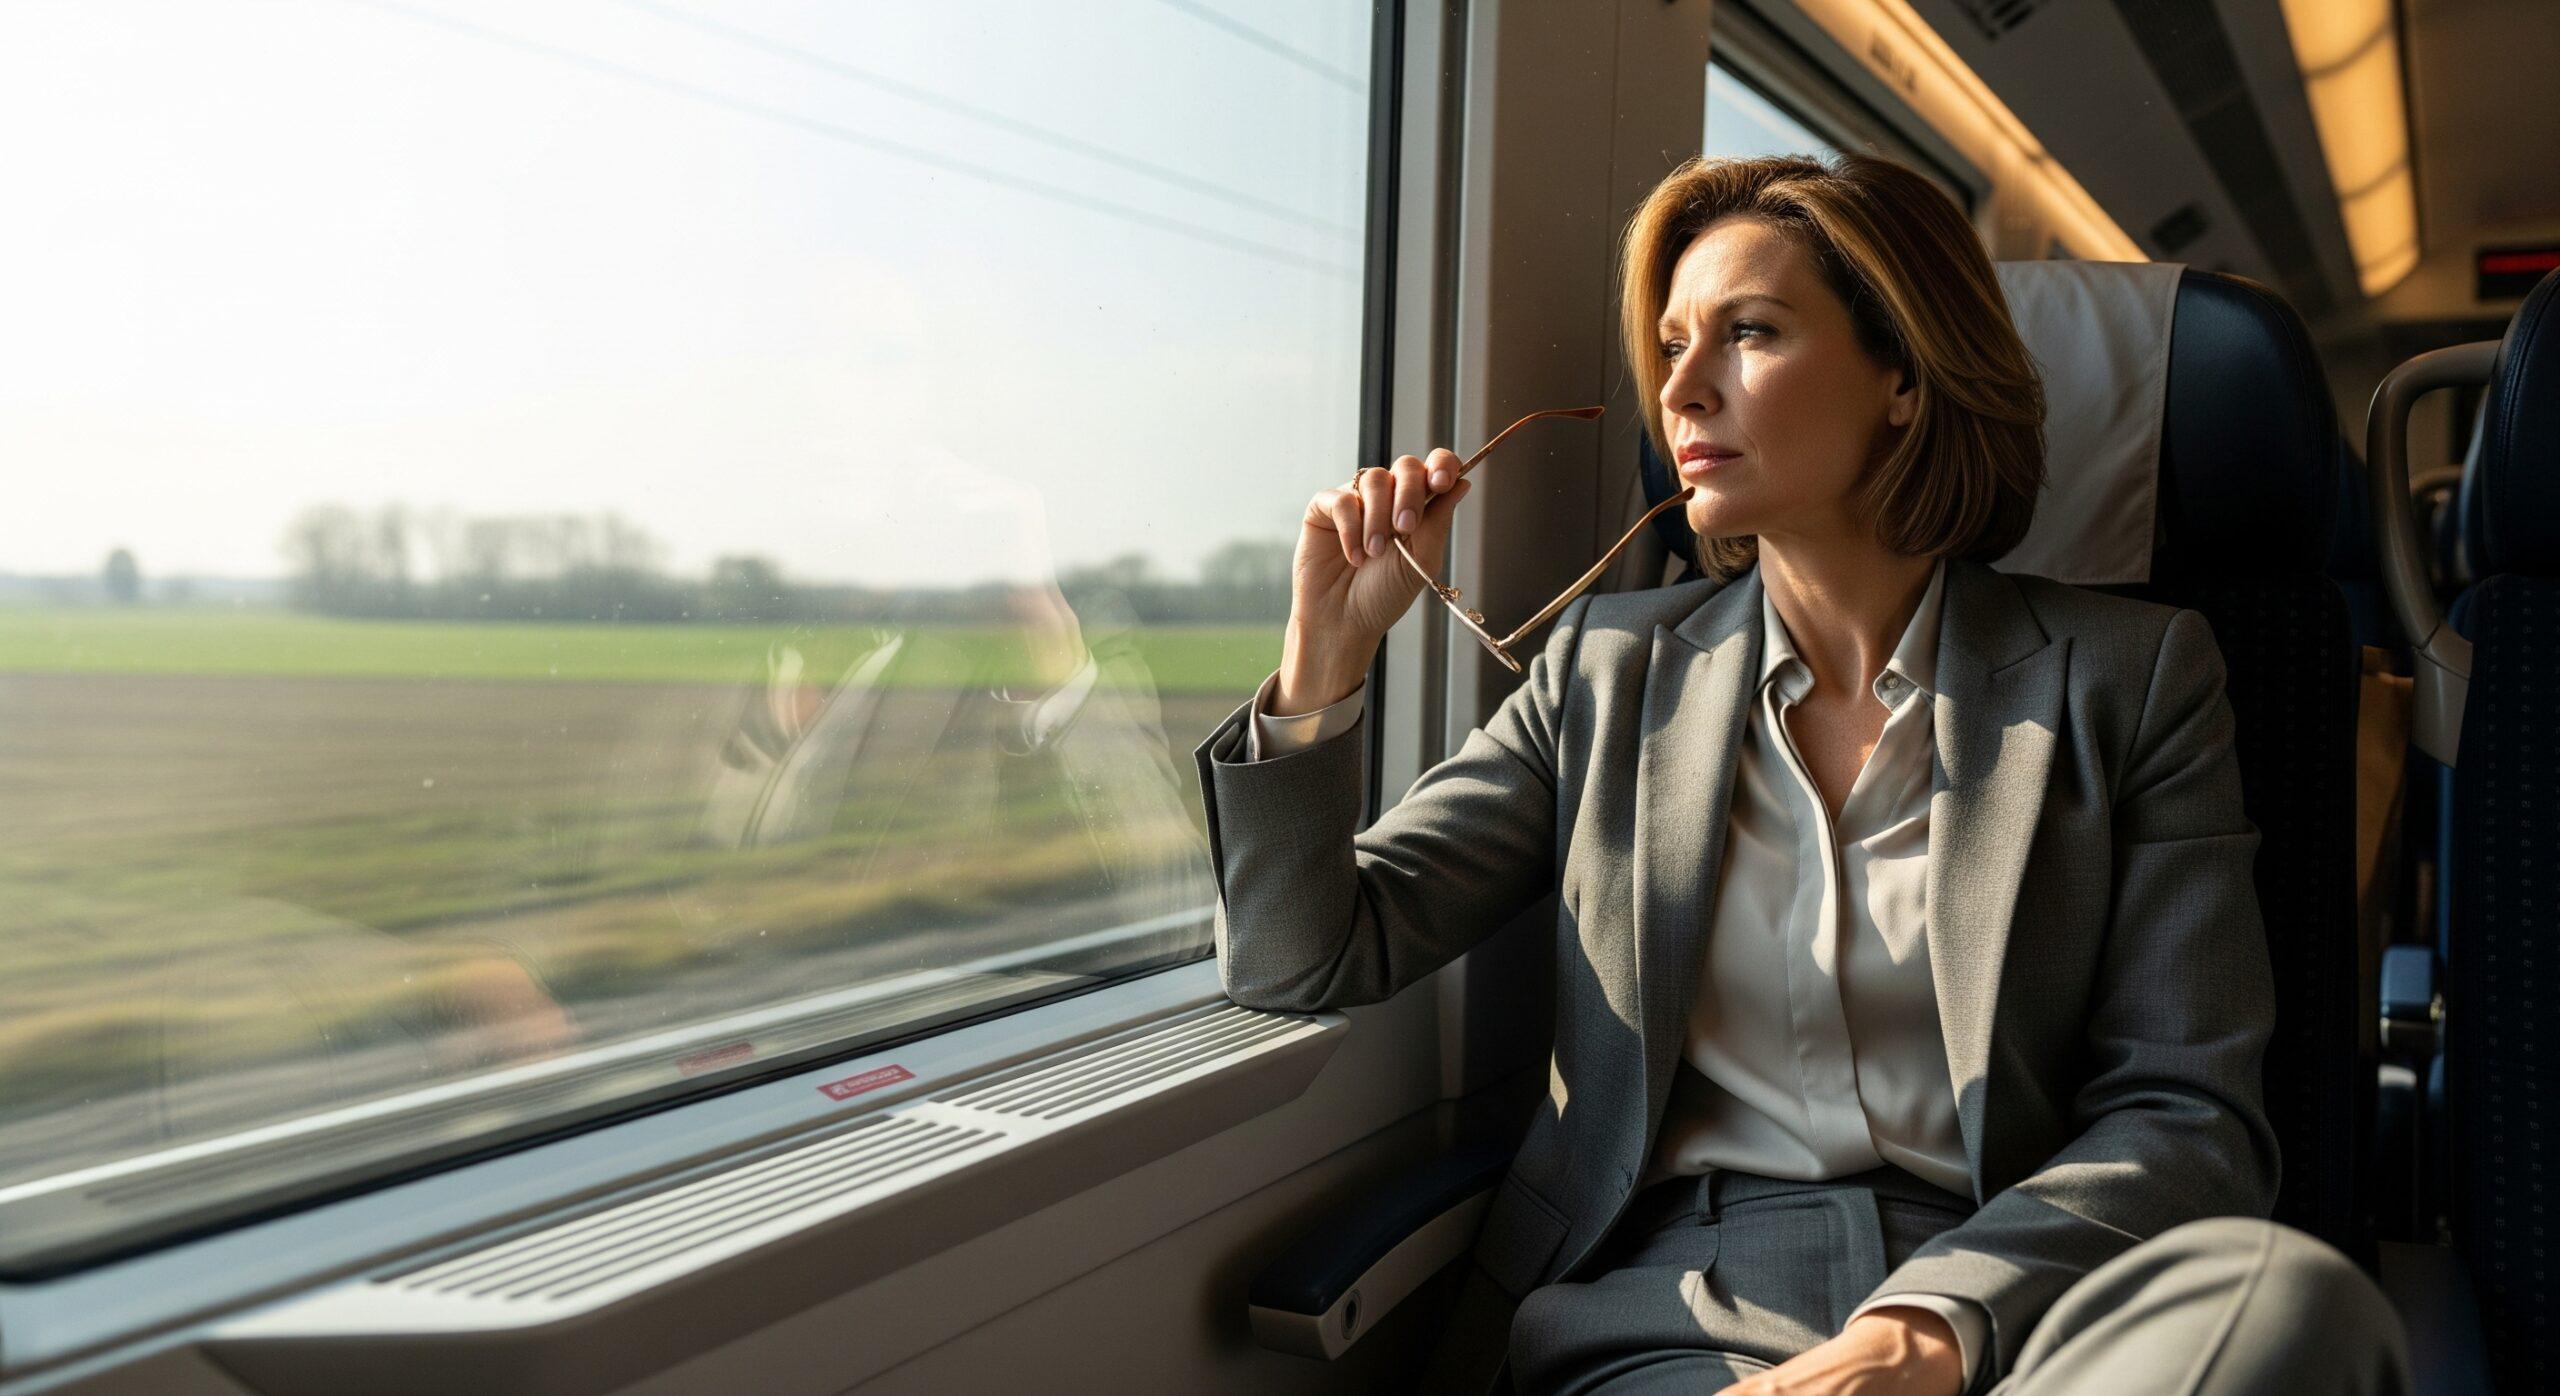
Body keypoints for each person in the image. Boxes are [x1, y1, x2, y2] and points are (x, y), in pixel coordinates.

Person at [1189, 153, 2410, 1395]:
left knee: (2301, 1307)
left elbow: (2190, 1117)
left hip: (2020, 1306)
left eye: (1749, 333)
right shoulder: (1608, 673)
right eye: (1669, 345)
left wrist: (1925, 1328)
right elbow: (1302, 956)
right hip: (1676, 1320)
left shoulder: (2132, 677)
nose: (1681, 385)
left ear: (1900, 376)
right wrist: (1324, 655)